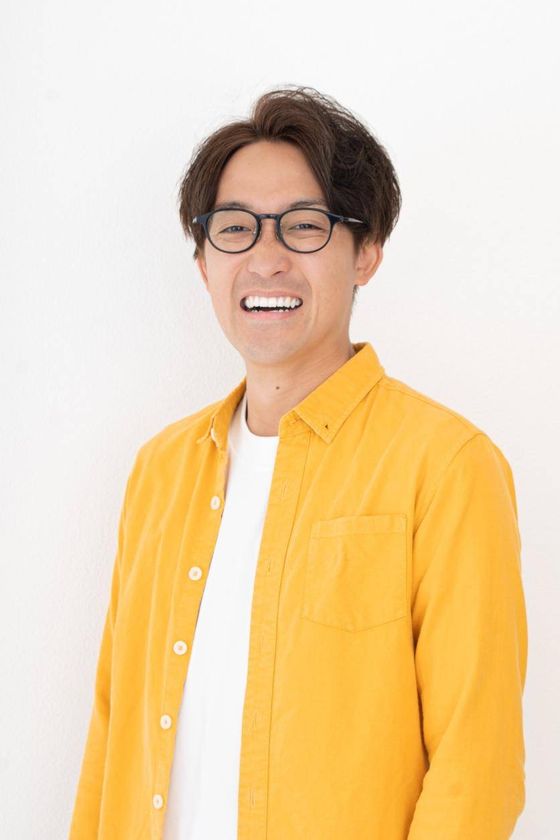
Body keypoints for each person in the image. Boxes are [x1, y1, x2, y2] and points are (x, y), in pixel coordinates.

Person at [69, 85, 528, 840]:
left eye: (305, 226)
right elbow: (112, 729)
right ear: (203, 262)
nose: (266, 258)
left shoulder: (446, 466)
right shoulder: (160, 472)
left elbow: (476, 768)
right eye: (235, 229)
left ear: (366, 253)